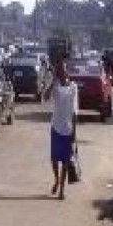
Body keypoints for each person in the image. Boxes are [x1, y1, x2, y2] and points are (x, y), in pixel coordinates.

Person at [49, 60, 78, 200]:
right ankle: (56, 179)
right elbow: (45, 96)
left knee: (66, 161)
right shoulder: (55, 87)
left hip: (67, 128)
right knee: (54, 159)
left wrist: (74, 134)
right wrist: (53, 79)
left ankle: (61, 189)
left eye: (62, 70)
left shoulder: (73, 87)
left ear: (66, 72)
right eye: (58, 70)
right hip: (55, 126)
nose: (61, 72)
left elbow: (74, 111)